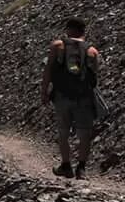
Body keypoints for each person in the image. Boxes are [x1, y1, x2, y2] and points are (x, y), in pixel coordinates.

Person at [40, 17, 100, 179]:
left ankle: (66, 165)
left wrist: (44, 91)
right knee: (84, 133)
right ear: (83, 32)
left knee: (63, 131)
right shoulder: (92, 51)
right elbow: (94, 77)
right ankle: (81, 168)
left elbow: (48, 71)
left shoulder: (57, 46)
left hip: (62, 96)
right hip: (84, 97)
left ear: (69, 29)